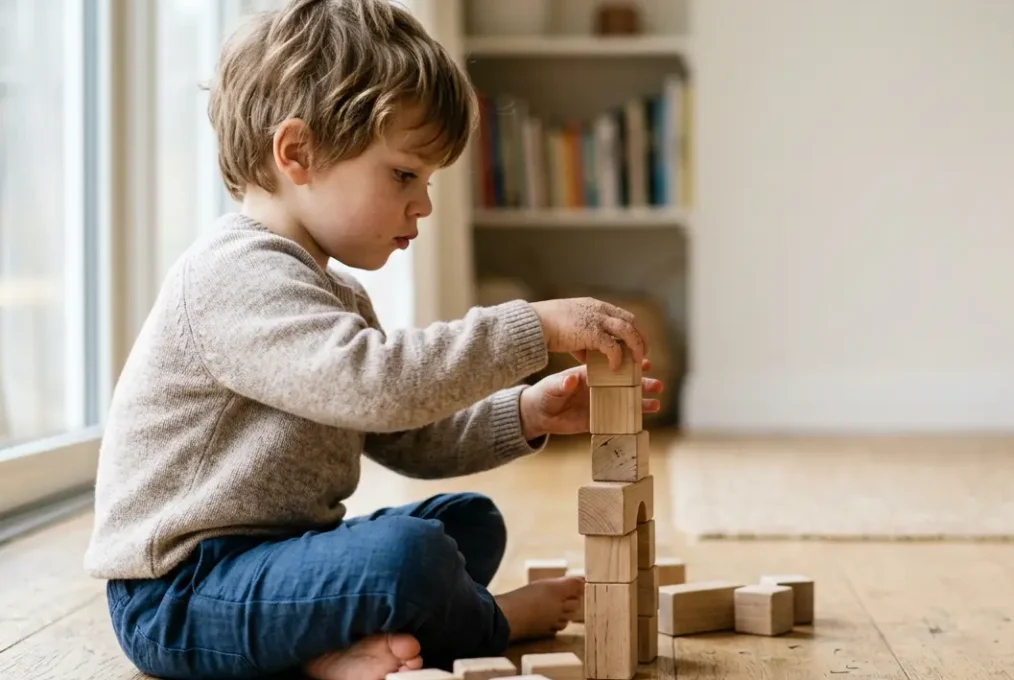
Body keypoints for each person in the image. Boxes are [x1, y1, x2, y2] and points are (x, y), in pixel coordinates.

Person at [81, 1, 662, 678]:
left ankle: (325, 655)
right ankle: (492, 622)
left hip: (275, 563)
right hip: (179, 597)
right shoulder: (234, 275)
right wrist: (529, 327)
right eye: (404, 175)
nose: (424, 205)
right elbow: (380, 387)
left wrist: (528, 412)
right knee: (409, 557)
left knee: (468, 523)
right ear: (298, 154)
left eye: (429, 181)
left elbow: (404, 434)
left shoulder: (334, 292)